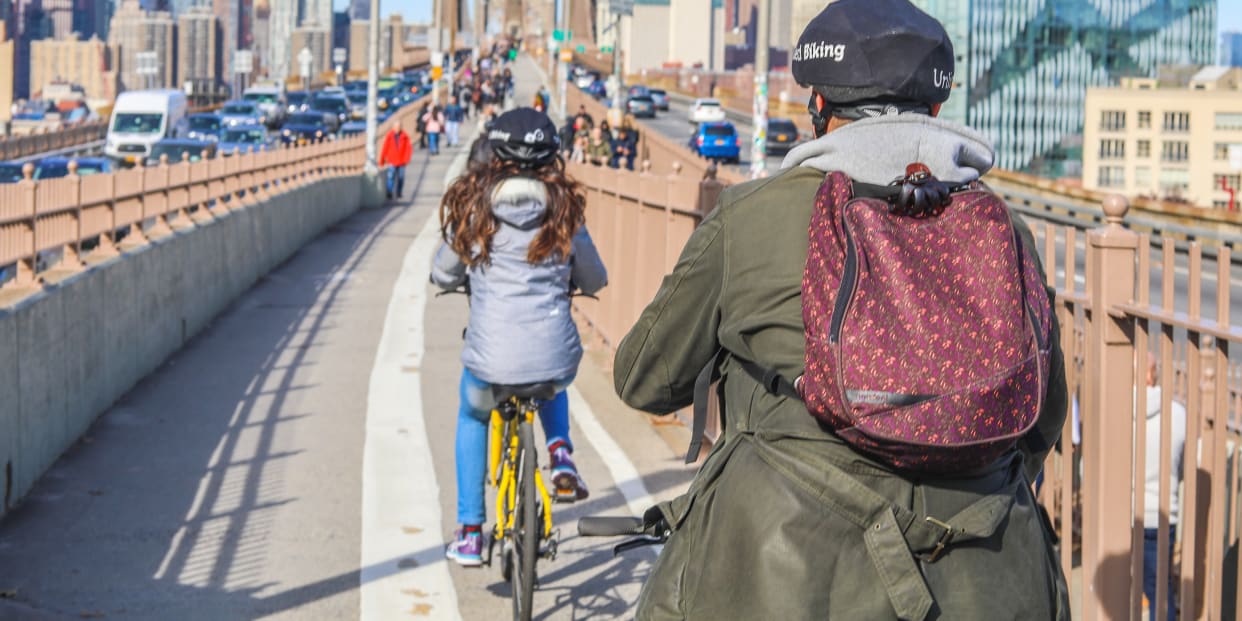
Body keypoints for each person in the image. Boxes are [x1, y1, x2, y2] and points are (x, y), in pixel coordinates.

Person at [612, 0, 1069, 618]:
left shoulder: (751, 216)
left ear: (818, 108)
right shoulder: (1005, 232)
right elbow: (1041, 418)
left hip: (782, 578)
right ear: (936, 110)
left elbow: (644, 378)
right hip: (990, 576)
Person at [433, 107, 607, 567]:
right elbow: (594, 277)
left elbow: (442, 269)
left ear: (495, 156)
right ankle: (560, 453)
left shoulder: (475, 209)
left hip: (490, 356)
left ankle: (470, 531)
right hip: (552, 354)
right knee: (551, 375)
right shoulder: (565, 213)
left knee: (473, 413)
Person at [1142, 351, 1186, 621]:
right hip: (1162, 514)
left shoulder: (1118, 406)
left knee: (1126, 585)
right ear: (1153, 373)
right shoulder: (1178, 413)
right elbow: (1183, 467)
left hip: (1124, 513)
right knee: (1160, 589)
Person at [378, 124, 412, 199]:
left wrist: (407, 159)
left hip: (401, 161)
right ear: (393, 128)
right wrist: (382, 161)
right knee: (391, 177)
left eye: (399, 127)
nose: (397, 129)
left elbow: (408, 149)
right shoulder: (389, 136)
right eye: (396, 127)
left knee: (401, 177)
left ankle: (399, 192)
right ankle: (389, 192)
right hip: (392, 160)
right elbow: (385, 148)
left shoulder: (405, 136)